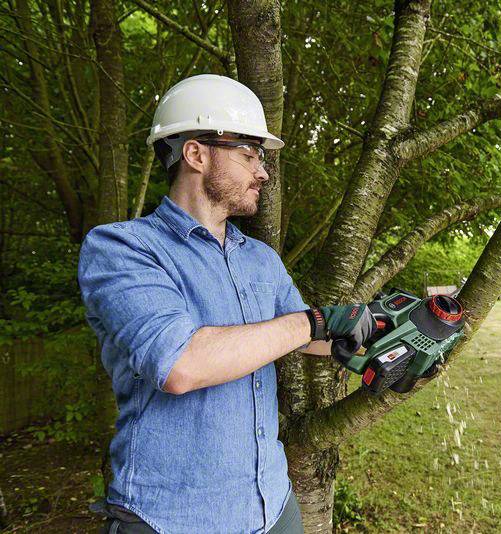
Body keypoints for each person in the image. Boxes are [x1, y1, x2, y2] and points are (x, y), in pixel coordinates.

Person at [78, 74, 375, 534]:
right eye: (249, 155)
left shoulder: (261, 258)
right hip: (173, 519)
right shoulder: (123, 249)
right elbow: (178, 364)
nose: (263, 171)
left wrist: (374, 342)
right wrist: (314, 321)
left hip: (273, 506)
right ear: (196, 154)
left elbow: (301, 337)